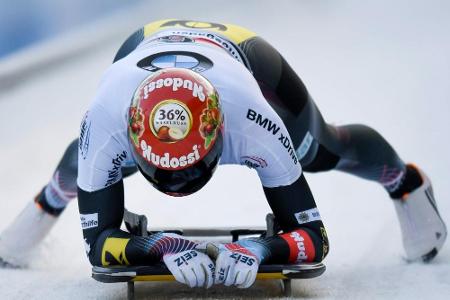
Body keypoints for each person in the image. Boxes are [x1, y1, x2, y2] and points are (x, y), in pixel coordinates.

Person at [0, 19, 446, 288]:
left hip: (246, 61)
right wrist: (161, 244)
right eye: (162, 170)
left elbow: (317, 238)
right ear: (137, 138)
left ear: (221, 138)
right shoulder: (107, 121)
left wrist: (264, 248)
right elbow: (96, 248)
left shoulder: (253, 123)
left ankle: (405, 183)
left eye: (190, 170)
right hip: (142, 50)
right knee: (89, 161)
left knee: (318, 150)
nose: (178, 185)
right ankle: (48, 201)